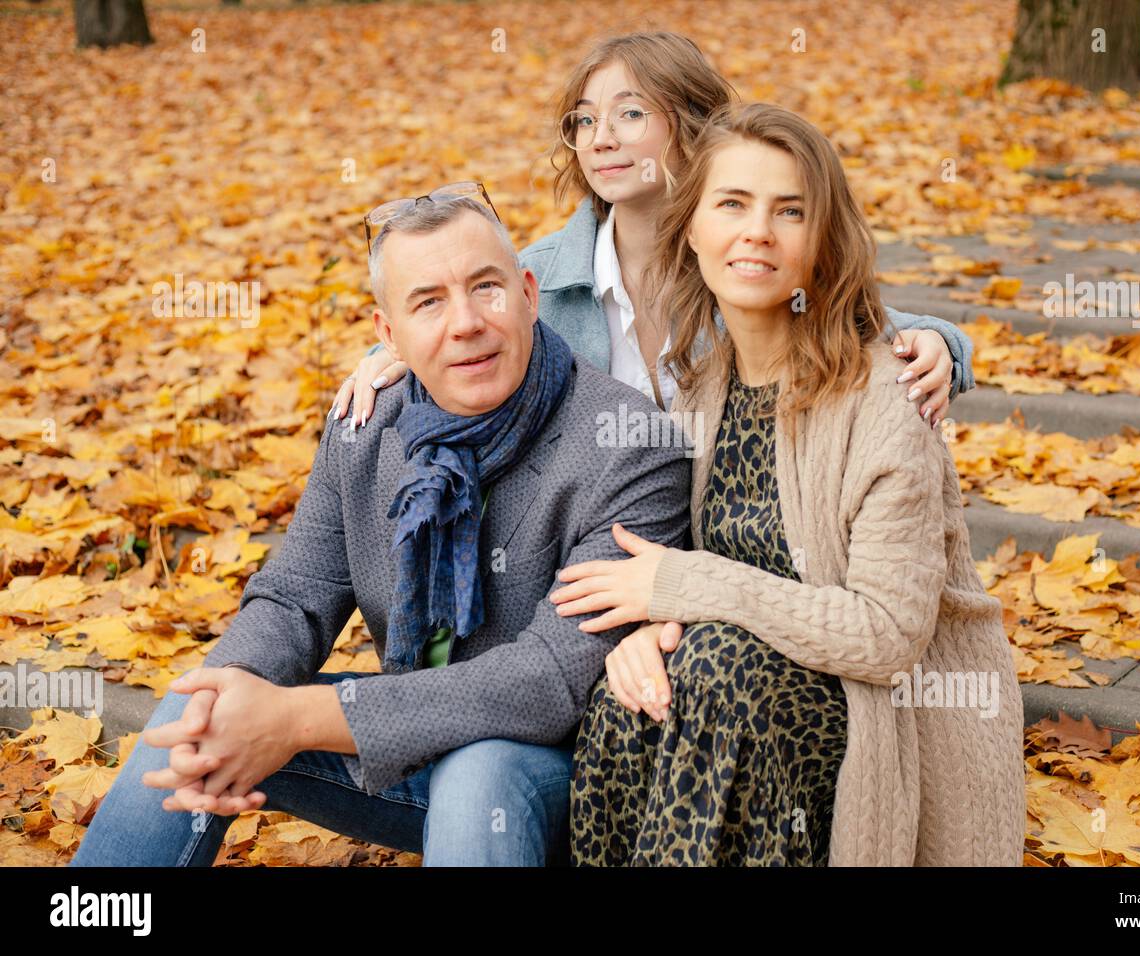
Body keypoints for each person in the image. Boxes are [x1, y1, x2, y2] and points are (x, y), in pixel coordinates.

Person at [70, 193, 691, 867]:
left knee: (479, 772)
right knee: (191, 711)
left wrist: (294, 720)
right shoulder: (368, 426)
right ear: (387, 333)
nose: (466, 324)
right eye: (427, 302)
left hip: (566, 781)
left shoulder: (629, 443)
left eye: (486, 288)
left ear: (529, 292)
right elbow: (294, 595)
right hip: (408, 744)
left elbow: (545, 683)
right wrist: (235, 689)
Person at [551, 103, 1025, 867]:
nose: (758, 232)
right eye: (732, 204)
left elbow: (888, 636)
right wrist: (647, 632)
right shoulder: (702, 390)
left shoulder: (884, 398)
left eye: (790, 212)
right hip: (731, 698)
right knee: (628, 700)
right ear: (693, 229)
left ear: (821, 244)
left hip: (880, 711)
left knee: (717, 674)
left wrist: (690, 586)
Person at [330, 31, 972, 431]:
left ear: (692, 125)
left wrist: (942, 345)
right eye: (584, 121)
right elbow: (451, 330)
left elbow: (864, 317)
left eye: (629, 114)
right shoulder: (541, 275)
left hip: (728, 552)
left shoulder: (738, 256)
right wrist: (379, 360)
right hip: (587, 556)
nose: (601, 138)